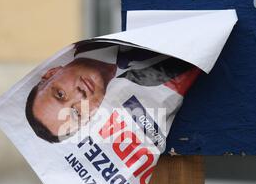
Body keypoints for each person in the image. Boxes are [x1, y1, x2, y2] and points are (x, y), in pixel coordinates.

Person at [25, 42, 201, 143]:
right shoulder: (153, 86)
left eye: (60, 94)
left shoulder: (96, 29)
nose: (80, 95)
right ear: (90, 120)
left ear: (52, 73)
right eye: (76, 112)